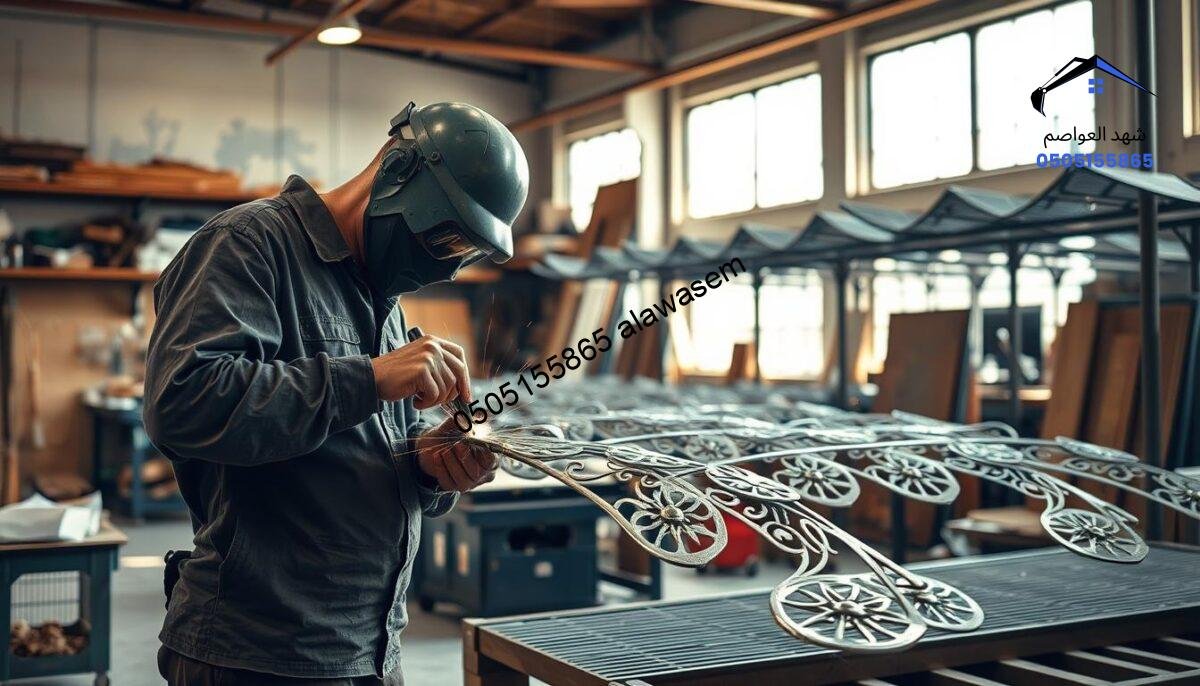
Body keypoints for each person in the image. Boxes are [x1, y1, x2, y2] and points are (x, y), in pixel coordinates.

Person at [143, 101, 529, 685]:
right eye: (446, 239)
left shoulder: (380, 294)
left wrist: (429, 465)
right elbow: (184, 402)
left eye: (463, 253)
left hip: (369, 650)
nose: (446, 269)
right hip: (257, 656)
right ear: (398, 174)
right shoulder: (249, 245)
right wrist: (369, 378)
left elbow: (356, 448)